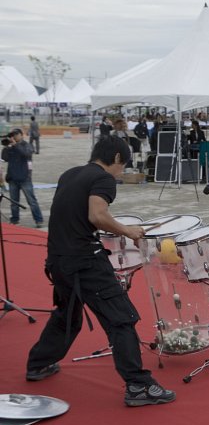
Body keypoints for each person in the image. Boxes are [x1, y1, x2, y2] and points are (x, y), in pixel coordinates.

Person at [25, 136, 176, 407]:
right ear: (117, 158)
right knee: (121, 318)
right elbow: (97, 215)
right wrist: (128, 231)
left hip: (58, 259)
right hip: (85, 261)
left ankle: (38, 364)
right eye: (123, 165)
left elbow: (78, 217)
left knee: (67, 315)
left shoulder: (70, 174)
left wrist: (112, 227)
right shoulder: (104, 179)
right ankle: (138, 386)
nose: (121, 172)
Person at [2, 129, 45, 227]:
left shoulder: (27, 145)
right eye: (12, 135)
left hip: (25, 178)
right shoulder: (11, 147)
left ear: (21, 135)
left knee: (32, 201)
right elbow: (4, 158)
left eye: (16, 135)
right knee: (14, 202)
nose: (14, 137)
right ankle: (14, 219)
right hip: (12, 178)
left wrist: (15, 145)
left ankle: (38, 220)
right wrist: (7, 146)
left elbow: (26, 154)